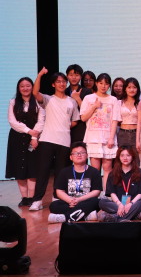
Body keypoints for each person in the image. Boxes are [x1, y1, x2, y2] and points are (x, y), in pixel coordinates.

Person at [30, 68, 80, 212]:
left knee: (60, 172)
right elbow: (35, 92)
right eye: (58, 82)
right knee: (43, 171)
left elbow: (75, 120)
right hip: (47, 139)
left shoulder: (72, 101)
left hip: (64, 141)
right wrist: (40, 75)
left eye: (64, 81)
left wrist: (64, 126)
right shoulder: (48, 99)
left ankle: (56, 197)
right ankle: (37, 200)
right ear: (53, 84)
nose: (62, 84)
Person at [6, 77, 45, 207]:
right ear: (18, 88)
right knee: (19, 169)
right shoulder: (13, 102)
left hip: (34, 138)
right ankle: (24, 198)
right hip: (17, 138)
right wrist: (29, 131)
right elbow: (12, 121)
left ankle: (32, 197)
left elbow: (41, 120)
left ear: (32, 87)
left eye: (28, 85)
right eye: (22, 86)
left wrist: (34, 138)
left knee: (32, 168)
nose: (25, 88)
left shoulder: (38, 102)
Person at [80, 73, 120, 191]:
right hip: (93, 138)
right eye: (101, 83)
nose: (103, 86)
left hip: (108, 138)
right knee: (95, 169)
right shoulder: (88, 98)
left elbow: (115, 120)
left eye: (106, 84)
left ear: (109, 85)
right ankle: (95, 193)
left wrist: (111, 138)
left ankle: (106, 193)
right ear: (96, 83)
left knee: (107, 168)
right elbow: (83, 118)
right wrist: (94, 106)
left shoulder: (113, 100)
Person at [47, 142, 102, 223]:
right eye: (75, 153)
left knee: (96, 202)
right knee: (54, 205)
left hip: (86, 201)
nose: (79, 155)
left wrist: (79, 200)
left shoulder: (94, 172)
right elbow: (59, 191)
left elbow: (96, 191)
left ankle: (65, 217)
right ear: (71, 157)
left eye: (82, 153)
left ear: (87, 155)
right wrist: (70, 200)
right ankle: (85, 216)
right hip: (70, 203)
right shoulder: (64, 172)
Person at [98, 145, 141, 222]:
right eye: (122, 155)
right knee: (102, 202)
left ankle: (115, 217)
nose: (125, 158)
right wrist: (120, 205)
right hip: (118, 204)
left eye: (128, 155)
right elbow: (112, 192)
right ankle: (133, 215)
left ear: (132, 157)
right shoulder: (113, 173)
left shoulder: (140, 173)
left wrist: (130, 204)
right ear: (118, 157)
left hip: (133, 203)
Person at [65, 64, 92, 142]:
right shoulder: (64, 91)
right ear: (67, 76)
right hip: (66, 129)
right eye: (71, 75)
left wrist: (77, 99)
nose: (74, 77)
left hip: (81, 129)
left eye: (77, 75)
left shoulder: (86, 91)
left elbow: (88, 111)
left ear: (81, 77)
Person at [117, 77, 141, 148]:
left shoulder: (140, 103)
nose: (132, 90)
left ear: (137, 89)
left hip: (136, 133)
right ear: (125, 88)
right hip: (122, 133)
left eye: (134, 87)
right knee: (123, 154)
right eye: (129, 87)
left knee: (136, 154)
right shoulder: (119, 103)